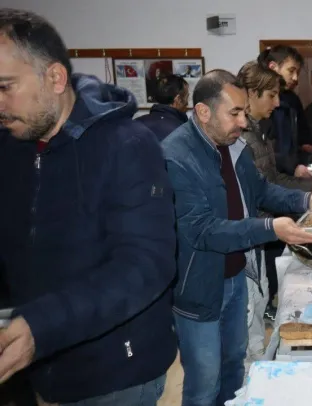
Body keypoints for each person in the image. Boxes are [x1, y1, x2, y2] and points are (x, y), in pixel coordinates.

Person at [0, 8, 177, 405]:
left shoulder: (126, 144)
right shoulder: (11, 146)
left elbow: (146, 264)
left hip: (115, 372)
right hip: (37, 365)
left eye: (5, 87)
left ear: (55, 78)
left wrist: (43, 325)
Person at [162, 69, 312, 406]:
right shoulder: (176, 155)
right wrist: (269, 228)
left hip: (237, 275)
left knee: (234, 365)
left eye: (244, 112)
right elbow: (203, 230)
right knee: (204, 383)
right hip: (199, 285)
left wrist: (306, 200)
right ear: (203, 112)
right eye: (235, 113)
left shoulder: (233, 146)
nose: (243, 122)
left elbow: (261, 190)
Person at [237, 61, 312, 320]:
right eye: (272, 95)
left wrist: (311, 190)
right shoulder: (242, 138)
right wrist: (306, 199)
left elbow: (272, 181)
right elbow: (261, 193)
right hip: (251, 236)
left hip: (262, 231)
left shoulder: (259, 133)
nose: (277, 103)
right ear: (252, 93)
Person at [258, 45, 312, 175]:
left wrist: (311, 159)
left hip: (287, 176)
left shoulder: (291, 99)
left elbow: (290, 148)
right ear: (273, 67)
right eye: (291, 71)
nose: (295, 78)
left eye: (297, 72)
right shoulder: (258, 103)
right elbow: (262, 153)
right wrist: (291, 167)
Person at [136, 74, 189, 141]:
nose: (187, 103)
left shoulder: (136, 124)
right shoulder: (183, 131)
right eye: (187, 97)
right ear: (178, 99)